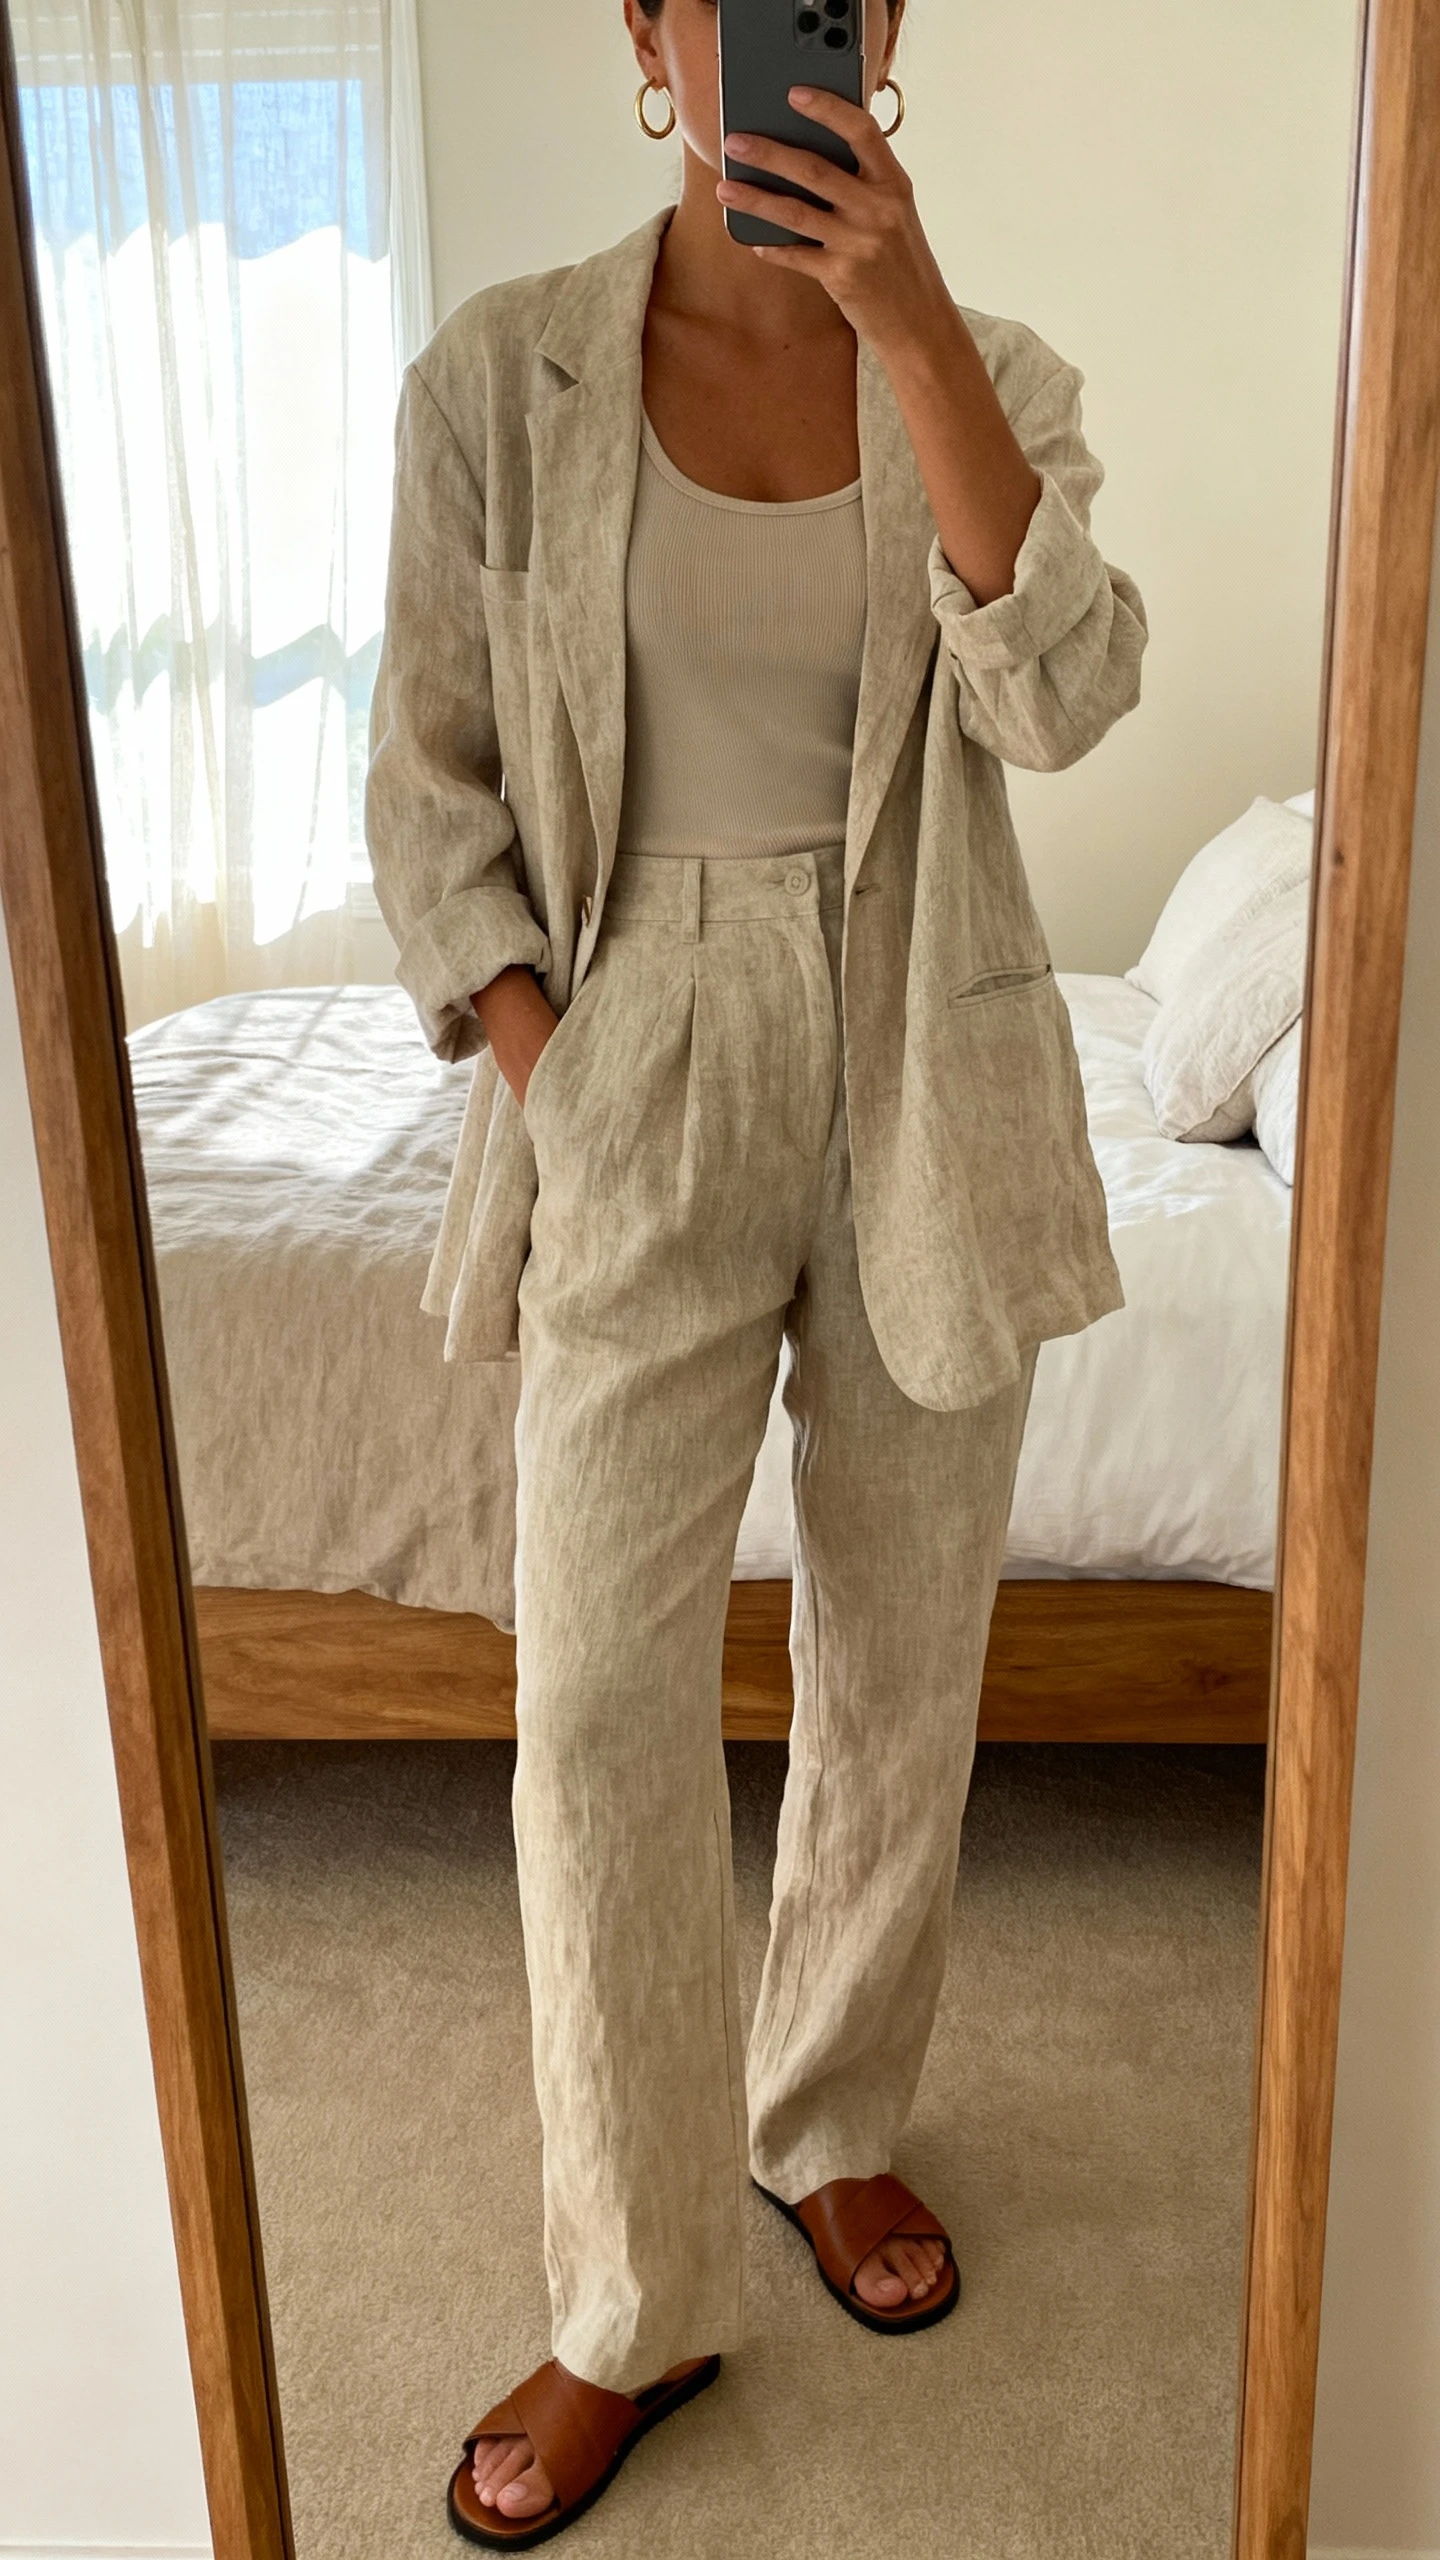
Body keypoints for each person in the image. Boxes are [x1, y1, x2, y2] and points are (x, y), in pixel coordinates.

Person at [366, 0, 1146, 2541]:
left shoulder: (994, 363)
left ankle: (828, 2118)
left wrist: (913, 330)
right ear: (649, 29)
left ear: (885, 29)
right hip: (638, 1042)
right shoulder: (508, 376)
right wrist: (545, 1061)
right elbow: (434, 777)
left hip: (928, 1032)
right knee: (589, 1691)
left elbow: (1069, 695)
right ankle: (627, 2290)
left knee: (898, 1661)